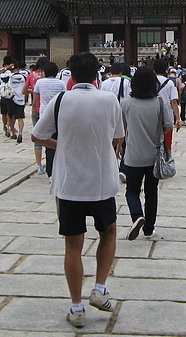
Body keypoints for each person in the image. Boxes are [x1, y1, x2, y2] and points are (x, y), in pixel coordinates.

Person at [31, 52, 125, 329]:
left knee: (73, 244)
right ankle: (99, 288)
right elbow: (118, 136)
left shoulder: (61, 100)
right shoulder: (109, 100)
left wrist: (61, 146)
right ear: (97, 74)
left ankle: (76, 307)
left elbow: (37, 135)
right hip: (101, 181)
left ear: (71, 75)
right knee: (108, 232)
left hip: (69, 182)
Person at [121, 66, 173, 240]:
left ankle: (137, 216)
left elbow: (121, 127)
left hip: (133, 155)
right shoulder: (160, 103)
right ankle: (149, 228)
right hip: (154, 156)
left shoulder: (126, 103)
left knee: (131, 191)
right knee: (152, 193)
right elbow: (168, 126)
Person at [32, 61, 66, 176]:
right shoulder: (61, 83)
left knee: (48, 143)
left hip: (44, 114)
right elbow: (64, 99)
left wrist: (34, 110)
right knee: (58, 140)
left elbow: (36, 99)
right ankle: (58, 168)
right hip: (58, 114)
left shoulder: (40, 82)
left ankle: (50, 170)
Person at [153, 59, 182, 153]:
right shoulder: (169, 83)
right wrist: (177, 118)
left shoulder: (150, 82)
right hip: (166, 116)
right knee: (167, 144)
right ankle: (166, 158)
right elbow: (174, 102)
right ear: (166, 70)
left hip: (152, 114)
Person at [26, 57, 48, 165]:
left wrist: (34, 90)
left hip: (36, 107)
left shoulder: (32, 75)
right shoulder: (48, 75)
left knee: (37, 137)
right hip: (47, 109)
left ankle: (38, 164)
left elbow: (24, 90)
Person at [9, 61, 29, 143]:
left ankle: (13, 133)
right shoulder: (23, 77)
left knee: (11, 116)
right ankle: (20, 133)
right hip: (20, 98)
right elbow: (26, 87)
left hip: (11, 98)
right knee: (20, 118)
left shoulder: (10, 76)